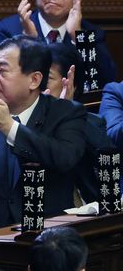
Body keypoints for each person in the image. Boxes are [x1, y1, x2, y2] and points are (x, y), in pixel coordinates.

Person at [0, 35, 87, 231]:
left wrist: (8, 126)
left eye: (2, 70)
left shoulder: (66, 112)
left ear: (34, 80)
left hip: (47, 233)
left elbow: (64, 158)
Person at [46, 42, 114, 204]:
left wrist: (69, 116)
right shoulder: (19, 120)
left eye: (47, 78)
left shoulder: (92, 122)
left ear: (72, 85)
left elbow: (110, 165)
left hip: (89, 216)